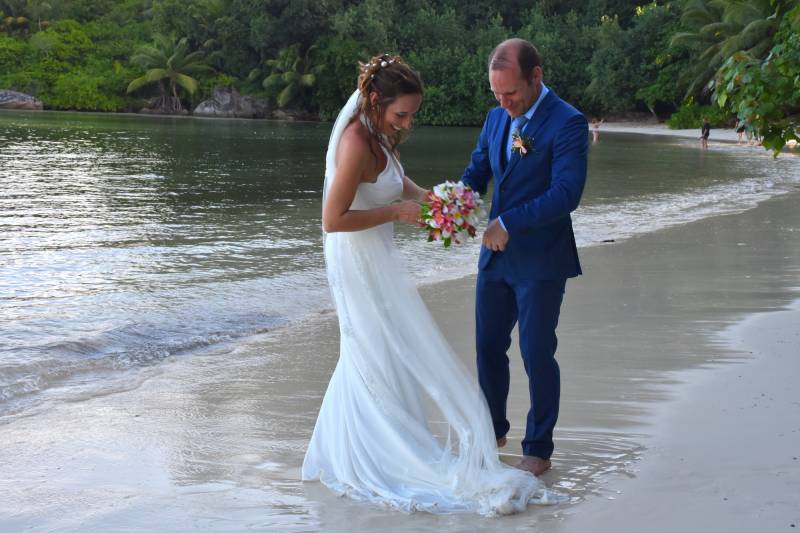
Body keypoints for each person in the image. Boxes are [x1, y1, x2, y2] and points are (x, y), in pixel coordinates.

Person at [302, 53, 555, 515]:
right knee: (369, 349)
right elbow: (333, 219)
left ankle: (365, 441)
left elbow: (398, 186)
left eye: (412, 115)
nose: (406, 123)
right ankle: (369, 451)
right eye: (402, 114)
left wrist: (440, 202)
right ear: (375, 100)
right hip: (357, 260)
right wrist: (400, 214)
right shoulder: (356, 140)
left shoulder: (381, 133)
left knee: (380, 350)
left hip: (378, 255)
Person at [459, 38, 588, 477]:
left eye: (511, 93)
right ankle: (492, 430)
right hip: (494, 260)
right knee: (487, 347)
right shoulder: (496, 119)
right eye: (496, 94)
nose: (504, 102)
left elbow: (566, 193)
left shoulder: (568, 122)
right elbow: (477, 173)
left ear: (536, 76)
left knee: (536, 352)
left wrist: (508, 222)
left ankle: (538, 448)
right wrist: (448, 205)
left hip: (541, 259)